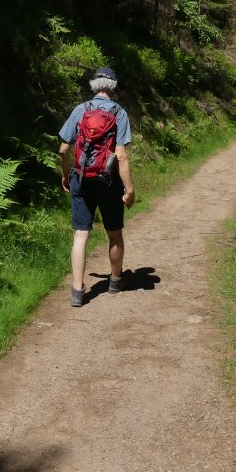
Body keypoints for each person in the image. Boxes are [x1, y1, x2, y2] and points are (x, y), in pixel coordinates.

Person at [58, 66, 137, 307]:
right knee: (114, 233)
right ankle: (115, 280)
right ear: (113, 87)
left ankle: (77, 291)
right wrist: (130, 190)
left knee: (81, 235)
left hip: (81, 179)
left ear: (93, 86)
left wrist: (65, 175)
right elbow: (121, 156)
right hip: (109, 182)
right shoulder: (119, 113)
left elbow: (63, 149)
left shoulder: (81, 110)